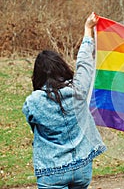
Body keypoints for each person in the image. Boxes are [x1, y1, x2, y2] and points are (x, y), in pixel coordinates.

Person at [22, 12, 106, 189]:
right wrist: (87, 30)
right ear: (61, 68)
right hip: (82, 167)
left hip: (51, 170)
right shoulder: (78, 90)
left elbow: (32, 123)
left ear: (37, 75)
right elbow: (84, 63)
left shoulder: (33, 102)